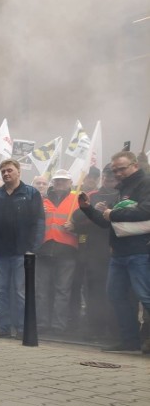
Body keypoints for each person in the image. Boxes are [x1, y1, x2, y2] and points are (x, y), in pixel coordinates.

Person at [78, 151, 150, 353]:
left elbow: (146, 210)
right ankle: (130, 341)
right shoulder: (121, 189)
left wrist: (114, 213)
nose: (117, 173)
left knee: (145, 296)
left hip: (140, 250)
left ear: (134, 165)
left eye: (122, 168)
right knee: (116, 295)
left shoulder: (145, 183)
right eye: (115, 169)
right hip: (119, 252)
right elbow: (106, 221)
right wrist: (87, 209)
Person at [0, 159, 45, 338]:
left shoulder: (31, 193)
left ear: (19, 172)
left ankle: (24, 329)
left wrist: (35, 248)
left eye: (9, 170)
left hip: (23, 251)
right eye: (3, 171)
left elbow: (39, 221)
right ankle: (4, 327)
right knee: (1, 290)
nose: (6, 174)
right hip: (0, 250)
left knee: (19, 291)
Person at [71, 164, 118, 341]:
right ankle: (93, 327)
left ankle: (112, 329)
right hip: (93, 251)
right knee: (93, 290)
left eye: (112, 178)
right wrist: (92, 210)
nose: (108, 181)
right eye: (106, 178)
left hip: (114, 249)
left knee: (112, 291)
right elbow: (75, 217)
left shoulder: (122, 195)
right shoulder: (92, 195)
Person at [36, 169, 79, 335]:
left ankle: (58, 326)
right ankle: (41, 323)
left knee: (63, 290)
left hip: (67, 250)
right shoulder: (42, 200)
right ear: (52, 183)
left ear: (70, 182)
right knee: (42, 290)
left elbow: (86, 221)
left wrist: (76, 226)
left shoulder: (77, 200)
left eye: (63, 180)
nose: (60, 183)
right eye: (57, 180)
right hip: (45, 250)